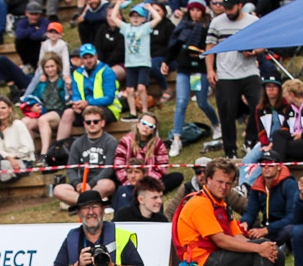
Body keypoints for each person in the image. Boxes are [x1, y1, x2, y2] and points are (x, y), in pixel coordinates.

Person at [175, 158, 291, 266]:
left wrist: (266, 247)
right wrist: (258, 248)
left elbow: (238, 237)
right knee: (260, 249)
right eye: (220, 182)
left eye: (229, 183)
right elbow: (221, 240)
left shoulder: (221, 203)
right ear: (208, 180)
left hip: (217, 259)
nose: (224, 187)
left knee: (276, 254)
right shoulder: (200, 203)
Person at [162, 0, 219, 158]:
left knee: (202, 102)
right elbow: (174, 47)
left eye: (197, 10)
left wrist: (200, 51)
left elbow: (211, 47)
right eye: (192, 10)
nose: (194, 13)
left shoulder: (207, 27)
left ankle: (216, 125)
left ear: (203, 12)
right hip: (184, 68)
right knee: (181, 102)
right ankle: (177, 138)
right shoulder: (182, 26)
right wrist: (166, 61)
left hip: (199, 69)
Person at [205, 0, 261, 160]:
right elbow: (209, 48)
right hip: (226, 73)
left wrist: (254, 52)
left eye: (231, 8)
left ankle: (250, 140)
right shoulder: (216, 22)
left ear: (240, 5)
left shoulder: (252, 22)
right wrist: (210, 70)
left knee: (258, 105)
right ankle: (230, 151)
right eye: (225, 8)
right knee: (226, 112)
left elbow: (263, 45)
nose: (228, 11)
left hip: (249, 71)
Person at [52, 105, 117, 208]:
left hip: (99, 183)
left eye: (95, 121)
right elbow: (71, 168)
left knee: (108, 185)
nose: (92, 124)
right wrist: (78, 183)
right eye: (88, 122)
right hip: (80, 183)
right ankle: (90, 203)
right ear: (84, 124)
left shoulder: (110, 142)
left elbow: (109, 169)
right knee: (58, 189)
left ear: (102, 123)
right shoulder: (77, 143)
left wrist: (90, 184)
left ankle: (79, 203)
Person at [56, 43, 121, 140]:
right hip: (85, 107)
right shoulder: (77, 73)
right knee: (67, 113)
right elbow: (76, 95)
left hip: (108, 109)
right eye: (85, 58)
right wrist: (77, 104)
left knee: (90, 111)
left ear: (96, 56)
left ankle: (90, 145)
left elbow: (109, 98)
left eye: (91, 57)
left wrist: (87, 103)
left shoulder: (106, 71)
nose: (88, 60)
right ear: (81, 59)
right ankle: (57, 149)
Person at [109, 2, 162, 121]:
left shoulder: (146, 27)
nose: (136, 19)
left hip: (143, 63)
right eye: (133, 16)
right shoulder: (126, 28)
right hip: (130, 64)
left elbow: (158, 18)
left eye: (138, 16)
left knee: (141, 88)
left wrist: (150, 9)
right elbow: (113, 17)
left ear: (143, 18)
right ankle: (133, 113)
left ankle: (144, 111)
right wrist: (117, 4)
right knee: (130, 90)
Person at [238, 74, 289, 189]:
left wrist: (272, 145)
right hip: (265, 142)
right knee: (247, 160)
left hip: (280, 142)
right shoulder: (260, 108)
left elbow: (287, 126)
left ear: (279, 89)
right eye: (268, 86)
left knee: (264, 162)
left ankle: (247, 185)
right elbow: (260, 130)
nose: (271, 89)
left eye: (274, 86)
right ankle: (241, 187)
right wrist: (266, 144)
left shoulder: (286, 105)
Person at [238, 150, 297, 246]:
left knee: (290, 229)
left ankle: (280, 246)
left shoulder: (289, 184)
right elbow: (250, 211)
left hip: (282, 226)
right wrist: (245, 222)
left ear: (279, 166)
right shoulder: (257, 185)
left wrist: (266, 230)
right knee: (242, 227)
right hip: (266, 226)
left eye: (270, 163)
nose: (266, 167)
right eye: (262, 164)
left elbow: (292, 217)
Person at [113, 113, 183, 194]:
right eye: (144, 123)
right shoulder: (125, 141)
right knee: (113, 179)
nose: (146, 127)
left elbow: (162, 165)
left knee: (177, 177)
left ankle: (147, 190)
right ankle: (140, 191)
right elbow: (119, 165)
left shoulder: (158, 143)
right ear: (138, 124)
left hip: (149, 180)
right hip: (129, 179)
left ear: (153, 130)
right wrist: (128, 182)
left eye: (150, 126)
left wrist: (147, 181)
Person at [0, 95, 34, 200]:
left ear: (9, 109)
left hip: (22, 160)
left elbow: (28, 148)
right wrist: (10, 158)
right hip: (4, 160)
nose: (0, 111)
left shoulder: (18, 125)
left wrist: (14, 157)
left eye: (3, 108)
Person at [20, 53, 69, 161]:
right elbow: (33, 97)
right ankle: (30, 153)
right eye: (47, 67)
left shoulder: (63, 80)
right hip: (43, 111)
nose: (50, 69)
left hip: (58, 112)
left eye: (52, 66)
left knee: (43, 119)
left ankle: (44, 154)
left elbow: (68, 97)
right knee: (24, 122)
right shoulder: (41, 82)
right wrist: (33, 107)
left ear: (57, 66)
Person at [166, 155, 247, 220]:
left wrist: (247, 223)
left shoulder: (224, 188)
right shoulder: (186, 188)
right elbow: (169, 213)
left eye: (204, 171)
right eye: (198, 172)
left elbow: (247, 208)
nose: (202, 175)